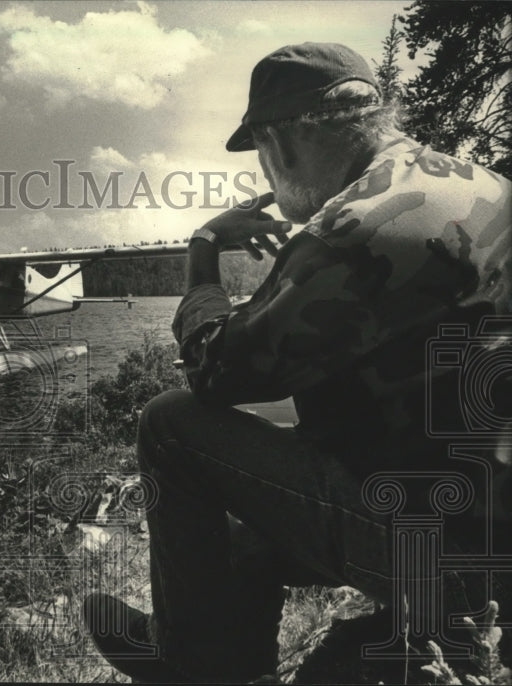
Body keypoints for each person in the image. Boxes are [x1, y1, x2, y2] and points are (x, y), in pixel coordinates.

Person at [83, 43, 511, 683]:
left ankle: (189, 665)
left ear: (278, 143)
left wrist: (203, 251)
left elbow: (214, 371)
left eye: (260, 149)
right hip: (484, 518)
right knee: (251, 532)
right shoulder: (480, 184)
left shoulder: (358, 227)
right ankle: (228, 663)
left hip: (448, 554)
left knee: (170, 426)